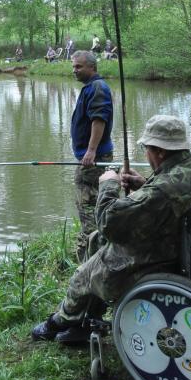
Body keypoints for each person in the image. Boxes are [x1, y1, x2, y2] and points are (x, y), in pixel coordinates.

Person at [32, 115, 191, 344]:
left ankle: (62, 320)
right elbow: (170, 191)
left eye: (147, 148)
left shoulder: (162, 190)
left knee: (83, 275)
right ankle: (87, 321)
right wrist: (144, 184)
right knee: (94, 241)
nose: (146, 154)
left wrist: (108, 184)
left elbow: (109, 222)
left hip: (152, 257)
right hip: (178, 243)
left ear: (160, 152)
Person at [70, 51, 114, 262]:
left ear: (92, 68)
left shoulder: (97, 88)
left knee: (86, 203)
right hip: (91, 156)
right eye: (73, 67)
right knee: (96, 201)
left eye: (79, 67)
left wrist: (91, 151)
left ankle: (88, 253)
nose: (74, 70)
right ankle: (100, 247)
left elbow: (99, 119)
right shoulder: (92, 87)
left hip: (93, 158)